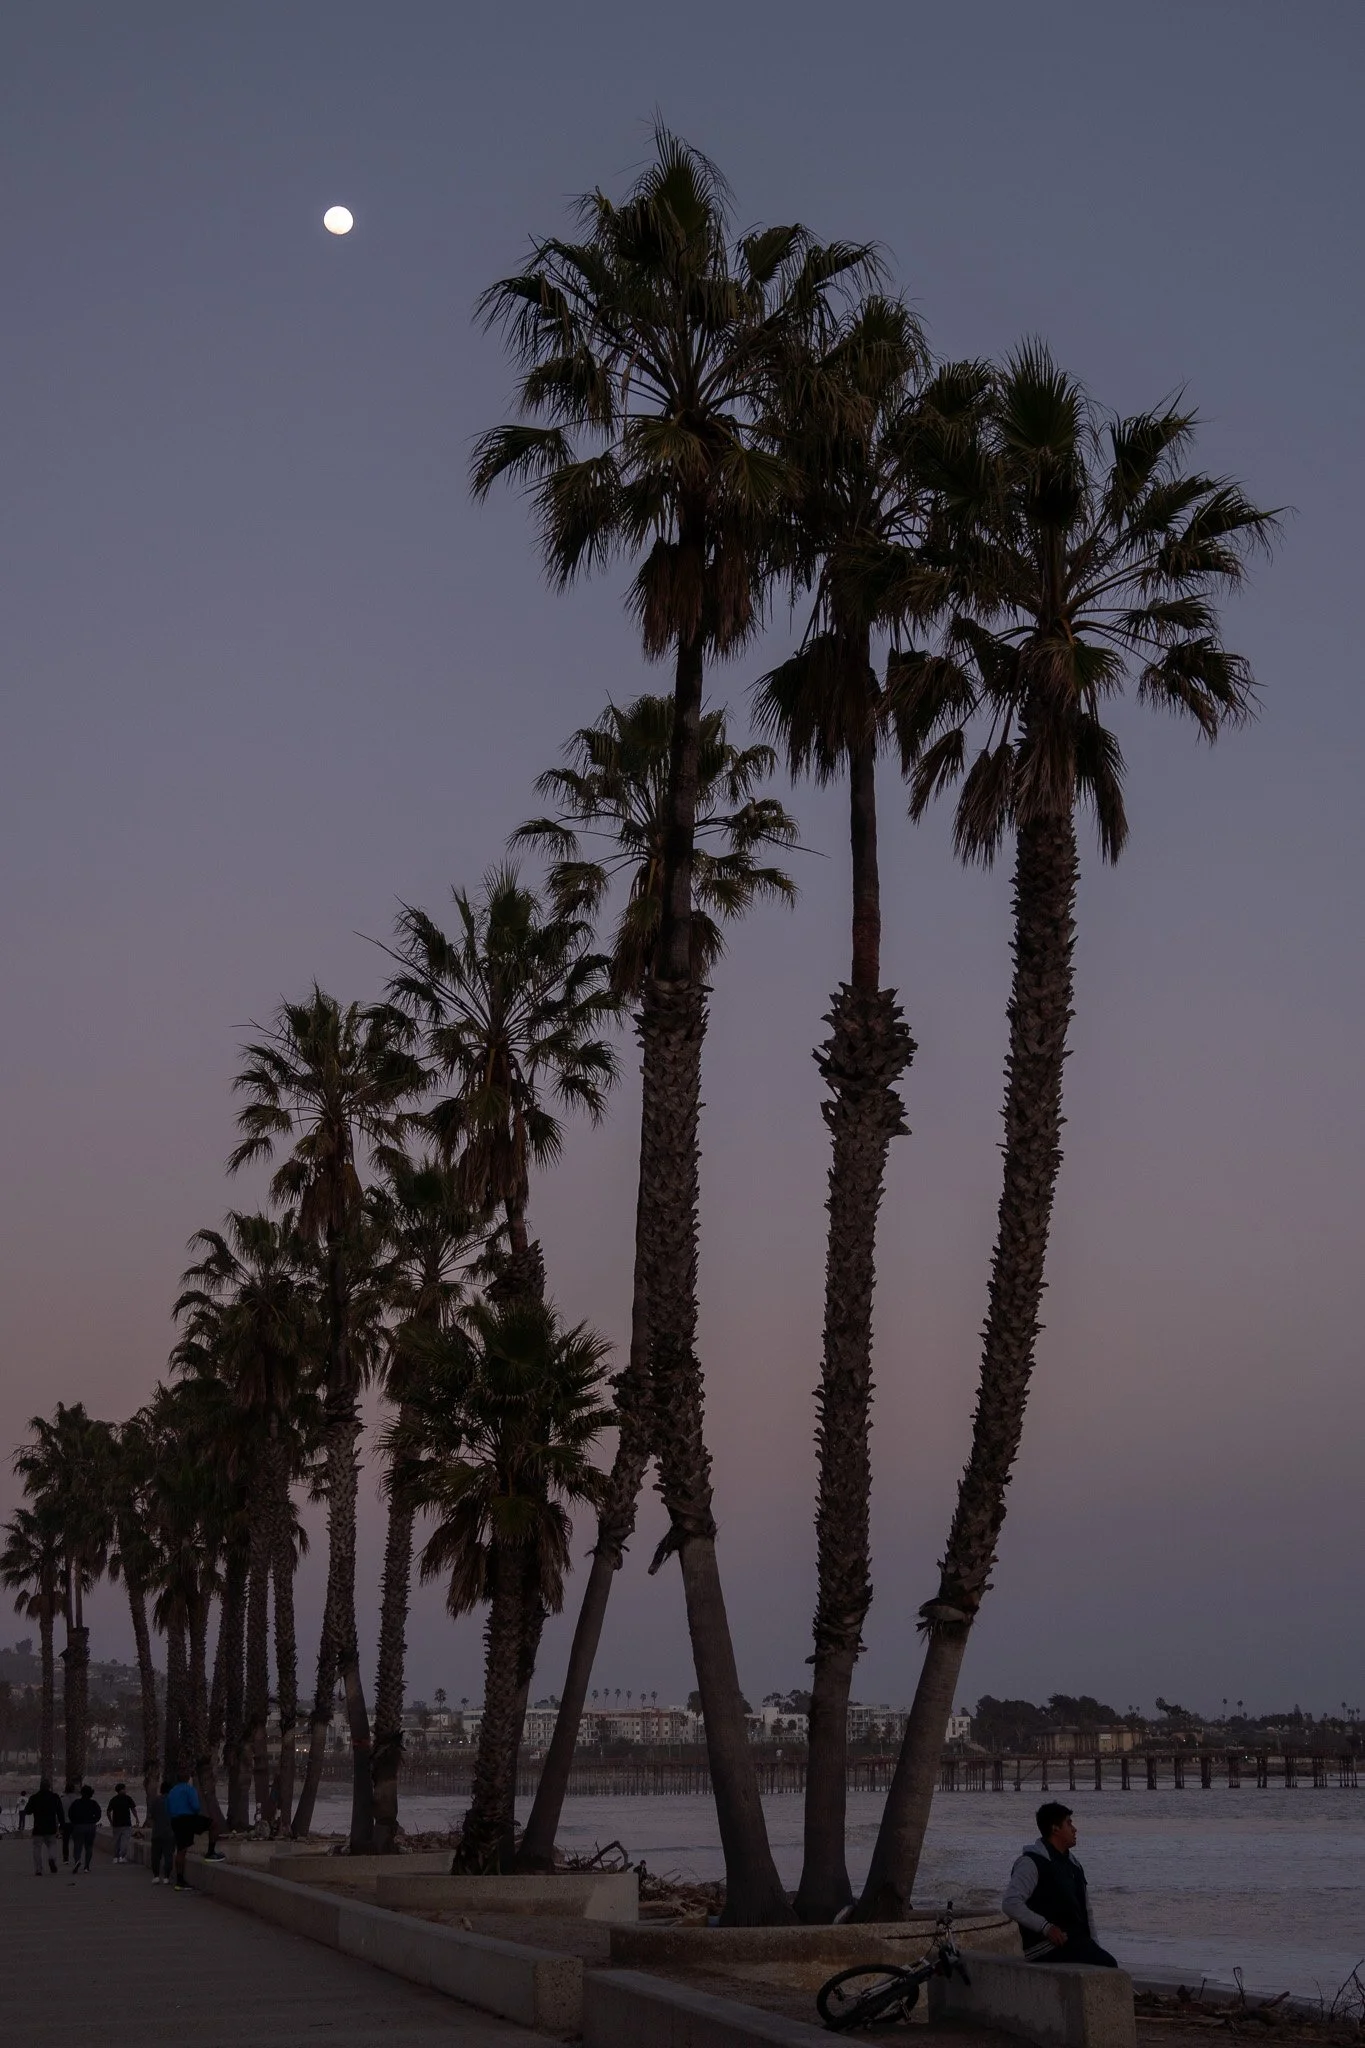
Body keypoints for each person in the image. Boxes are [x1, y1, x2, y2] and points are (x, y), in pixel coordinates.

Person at [1002, 1800, 1118, 1967]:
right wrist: (1046, 1927)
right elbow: (1010, 1903)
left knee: (1106, 1964)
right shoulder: (1031, 1862)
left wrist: (1095, 1946)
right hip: (1044, 1947)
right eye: (1069, 1823)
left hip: (1075, 1943)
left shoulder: (1074, 1865)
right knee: (1108, 1965)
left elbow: (1086, 1910)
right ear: (1055, 1828)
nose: (1074, 1829)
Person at [166, 1769, 212, 1890]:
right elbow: (196, 1807)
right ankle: (211, 1852)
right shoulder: (189, 1789)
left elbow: (168, 1808)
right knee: (214, 1825)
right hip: (187, 1819)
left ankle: (179, 1880)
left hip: (175, 1821)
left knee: (181, 1850)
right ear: (188, 1779)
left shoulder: (172, 1791)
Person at [23, 1779, 64, 1875]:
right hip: (51, 1827)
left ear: (40, 1787)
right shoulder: (55, 1797)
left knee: (37, 1848)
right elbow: (60, 1812)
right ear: (49, 1787)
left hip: (38, 1827)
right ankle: (51, 1858)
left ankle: (38, 1869)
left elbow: (28, 1811)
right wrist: (62, 1825)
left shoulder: (34, 1797)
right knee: (52, 1845)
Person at [67, 1784, 102, 1873]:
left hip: (78, 1826)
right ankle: (87, 1867)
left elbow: (70, 1814)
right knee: (89, 1847)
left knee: (77, 1846)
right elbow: (98, 1814)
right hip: (90, 1826)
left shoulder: (76, 1803)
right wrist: (94, 1820)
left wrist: (74, 1822)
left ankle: (77, 1860)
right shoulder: (93, 1803)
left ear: (81, 1793)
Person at [147, 1778, 175, 1885]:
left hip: (157, 1832)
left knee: (155, 1855)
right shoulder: (172, 1800)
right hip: (170, 1833)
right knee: (168, 1855)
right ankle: (166, 1877)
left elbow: (151, 1816)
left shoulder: (155, 1800)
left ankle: (156, 1876)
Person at [107, 1781, 139, 1863]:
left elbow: (108, 1812)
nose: (125, 1790)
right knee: (125, 1841)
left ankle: (115, 1857)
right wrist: (137, 1818)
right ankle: (122, 1856)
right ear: (122, 1790)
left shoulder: (113, 1799)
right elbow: (133, 1809)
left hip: (116, 1824)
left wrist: (111, 1821)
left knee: (116, 1841)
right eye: (124, 1789)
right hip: (126, 1823)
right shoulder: (128, 1798)